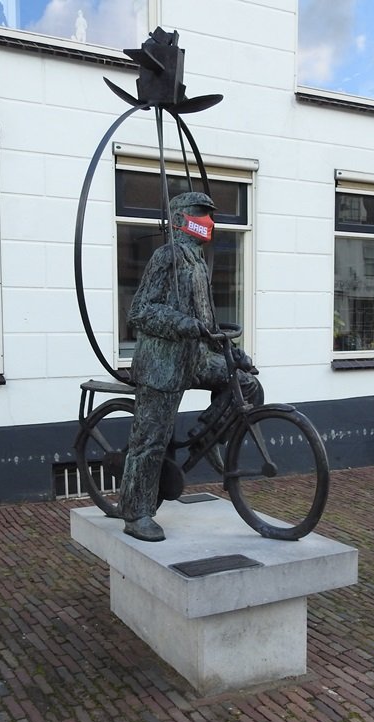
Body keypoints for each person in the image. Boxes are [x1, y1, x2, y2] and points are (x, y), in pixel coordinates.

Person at [118, 191, 260, 541]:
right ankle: (136, 513)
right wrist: (182, 324)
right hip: (162, 365)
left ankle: (207, 435)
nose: (209, 221)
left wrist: (232, 352)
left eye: (210, 214)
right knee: (151, 441)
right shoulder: (166, 256)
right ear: (182, 219)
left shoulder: (198, 261)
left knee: (246, 385)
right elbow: (140, 311)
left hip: (194, 359)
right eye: (201, 213)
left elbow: (207, 323)